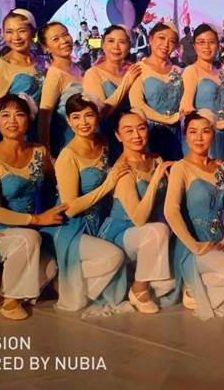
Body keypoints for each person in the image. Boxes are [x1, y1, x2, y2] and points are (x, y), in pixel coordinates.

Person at [0, 94, 65, 319]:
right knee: (29, 238)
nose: (12, 121)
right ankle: (10, 298)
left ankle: (12, 286)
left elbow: (58, 176)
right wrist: (37, 219)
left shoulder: (39, 151)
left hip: (29, 225)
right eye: (5, 115)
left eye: (19, 115)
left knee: (51, 267)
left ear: (29, 120)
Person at [41, 94, 128, 313]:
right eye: (76, 117)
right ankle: (66, 284)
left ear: (98, 116)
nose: (83, 122)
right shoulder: (68, 155)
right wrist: (108, 185)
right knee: (113, 256)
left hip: (98, 221)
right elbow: (70, 208)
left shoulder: (103, 142)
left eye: (89, 115)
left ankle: (68, 282)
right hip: (71, 227)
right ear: (68, 121)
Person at [164, 110, 224, 320]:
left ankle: (200, 284)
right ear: (185, 135)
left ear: (213, 135)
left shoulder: (220, 167)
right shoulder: (181, 168)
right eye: (193, 132)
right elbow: (171, 210)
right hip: (191, 247)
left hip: (218, 243)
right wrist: (194, 246)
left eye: (205, 131)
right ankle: (192, 285)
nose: (199, 138)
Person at [97, 110, 173, 313]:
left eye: (141, 128)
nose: (136, 135)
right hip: (120, 233)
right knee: (158, 230)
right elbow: (139, 219)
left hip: (148, 231)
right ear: (118, 136)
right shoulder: (123, 169)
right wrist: (155, 180)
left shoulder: (156, 159)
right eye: (128, 130)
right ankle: (139, 289)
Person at [0, 9, 47, 147]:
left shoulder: (41, 62)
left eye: (21, 31)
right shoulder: (2, 66)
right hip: (15, 138)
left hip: (42, 134)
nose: (16, 37)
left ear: (33, 32)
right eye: (9, 32)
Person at [82, 25, 142, 160]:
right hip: (108, 139)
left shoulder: (131, 72)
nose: (116, 47)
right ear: (103, 44)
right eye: (111, 41)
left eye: (122, 42)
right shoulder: (93, 73)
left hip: (134, 138)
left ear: (129, 46)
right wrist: (126, 83)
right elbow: (100, 113)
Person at [179, 24, 224, 163]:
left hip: (223, 136)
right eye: (201, 42)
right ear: (194, 46)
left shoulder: (222, 74)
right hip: (201, 138)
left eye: (211, 42)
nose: (206, 46)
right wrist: (215, 124)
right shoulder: (191, 71)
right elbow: (186, 108)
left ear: (218, 45)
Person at [128, 21, 183, 160]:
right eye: (161, 38)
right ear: (151, 39)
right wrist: (168, 119)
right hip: (150, 134)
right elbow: (137, 105)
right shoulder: (138, 69)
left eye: (172, 41)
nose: (166, 44)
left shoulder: (178, 71)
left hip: (176, 135)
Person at [38, 21, 84, 157]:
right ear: (46, 48)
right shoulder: (55, 74)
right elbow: (44, 117)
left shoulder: (76, 68)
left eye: (65, 35)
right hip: (67, 144)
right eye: (56, 39)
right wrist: (47, 155)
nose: (64, 41)